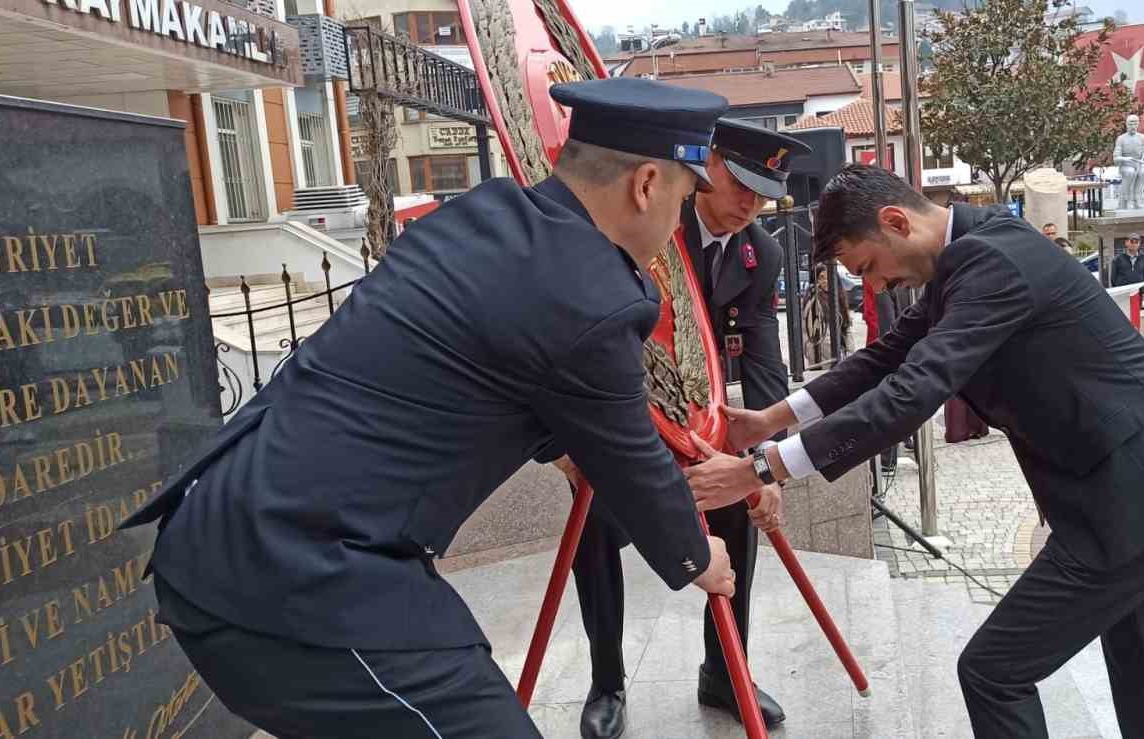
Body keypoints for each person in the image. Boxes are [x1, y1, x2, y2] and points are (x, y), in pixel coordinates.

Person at [117, 79, 742, 739]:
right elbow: (633, 459)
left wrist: (566, 453)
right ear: (646, 183)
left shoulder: (487, 215)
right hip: (293, 575)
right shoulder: (592, 293)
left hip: (222, 528)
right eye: (681, 198)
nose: (677, 224)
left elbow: (478, 362)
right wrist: (698, 555)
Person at [683, 164, 1144, 739]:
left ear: (895, 221)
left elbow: (913, 390)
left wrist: (762, 468)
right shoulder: (969, 254)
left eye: (867, 267)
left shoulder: (991, 261)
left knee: (995, 672)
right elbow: (886, 357)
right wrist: (771, 420)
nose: (873, 288)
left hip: (1138, 497)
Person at [562, 118, 809, 738]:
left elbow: (761, 355)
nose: (749, 206)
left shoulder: (762, 252)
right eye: (740, 185)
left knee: (737, 508)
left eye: (763, 194)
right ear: (709, 166)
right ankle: (607, 681)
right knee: (594, 529)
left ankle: (725, 671)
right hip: (622, 414)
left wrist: (765, 460)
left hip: (698, 418)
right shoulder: (652, 222)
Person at [1111, 232, 1144, 297]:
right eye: (1132, 241)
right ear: (1126, 243)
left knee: (1136, 307)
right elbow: (1113, 279)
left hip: (1138, 293)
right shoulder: (1117, 259)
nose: (1134, 244)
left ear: (1139, 244)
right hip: (1122, 294)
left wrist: (1143, 289)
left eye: (1136, 242)